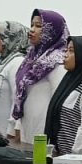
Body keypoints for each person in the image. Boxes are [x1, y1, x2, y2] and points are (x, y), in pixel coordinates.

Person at [12, 10, 69, 144]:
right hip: (27, 125)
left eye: (38, 26)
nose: (32, 30)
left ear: (52, 31)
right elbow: (21, 94)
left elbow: (60, 102)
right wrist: (17, 125)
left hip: (44, 130)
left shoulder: (57, 62)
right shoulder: (30, 58)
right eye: (32, 25)